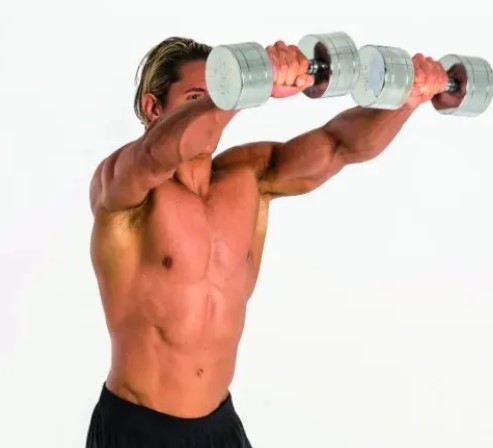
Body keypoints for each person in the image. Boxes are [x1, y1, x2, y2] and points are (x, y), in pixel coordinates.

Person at [85, 36, 455, 448]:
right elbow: (157, 153)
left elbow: (339, 145)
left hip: (220, 428)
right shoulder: (123, 189)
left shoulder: (250, 177)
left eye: (220, 87)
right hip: (138, 430)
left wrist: (407, 97)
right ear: (155, 108)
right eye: (195, 96)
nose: (216, 105)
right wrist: (243, 86)